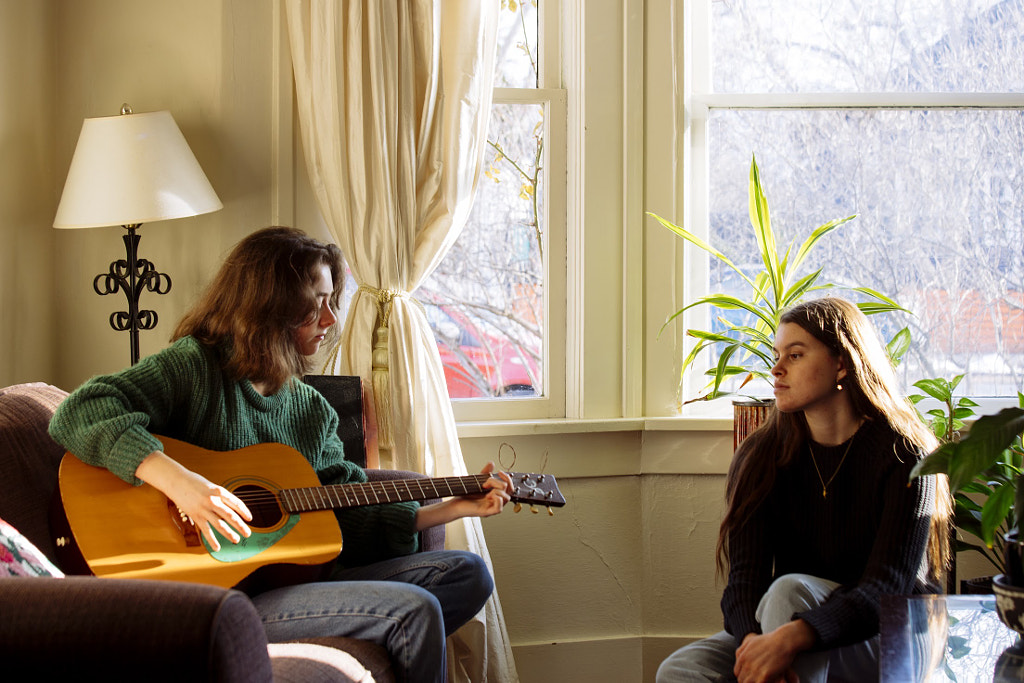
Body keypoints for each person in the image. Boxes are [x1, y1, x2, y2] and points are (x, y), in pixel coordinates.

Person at [49, 226, 512, 683]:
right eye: (317, 303)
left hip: (292, 580)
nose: (330, 320)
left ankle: (343, 622)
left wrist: (453, 507)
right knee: (415, 610)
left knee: (467, 572)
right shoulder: (195, 366)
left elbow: (343, 509)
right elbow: (80, 410)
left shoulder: (310, 408)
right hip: (219, 593)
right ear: (269, 303)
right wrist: (181, 483)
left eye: (332, 302)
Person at [657, 297, 951, 683]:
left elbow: (885, 589)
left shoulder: (904, 453)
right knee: (680, 670)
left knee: (788, 592)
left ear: (842, 363)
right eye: (776, 354)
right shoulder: (762, 456)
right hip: (792, 623)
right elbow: (744, 584)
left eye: (794, 355)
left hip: (895, 637)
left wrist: (795, 636)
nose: (776, 369)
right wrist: (758, 649)